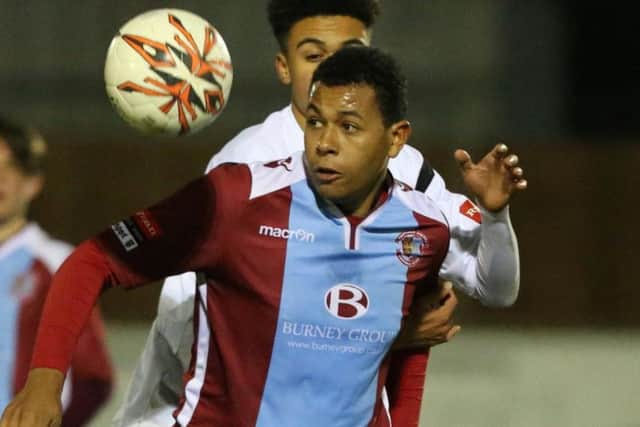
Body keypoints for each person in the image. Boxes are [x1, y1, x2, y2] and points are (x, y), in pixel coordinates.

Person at [0, 46, 526, 427]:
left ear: (396, 139)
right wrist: (43, 384)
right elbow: (94, 260)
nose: (324, 143)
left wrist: (495, 216)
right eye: (315, 122)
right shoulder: (236, 197)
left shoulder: (423, 227)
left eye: (348, 127)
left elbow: (413, 351)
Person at [114, 2, 463, 425]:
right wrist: (379, 338)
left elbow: (471, 284)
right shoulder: (246, 167)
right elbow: (209, 335)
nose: (334, 67)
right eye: (315, 55)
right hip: (188, 401)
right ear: (284, 66)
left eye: (349, 49)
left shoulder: (406, 171)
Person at [0, 118, 113, 426]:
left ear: (33, 183)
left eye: (12, 168)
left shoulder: (59, 263)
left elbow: (94, 378)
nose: (0, 179)